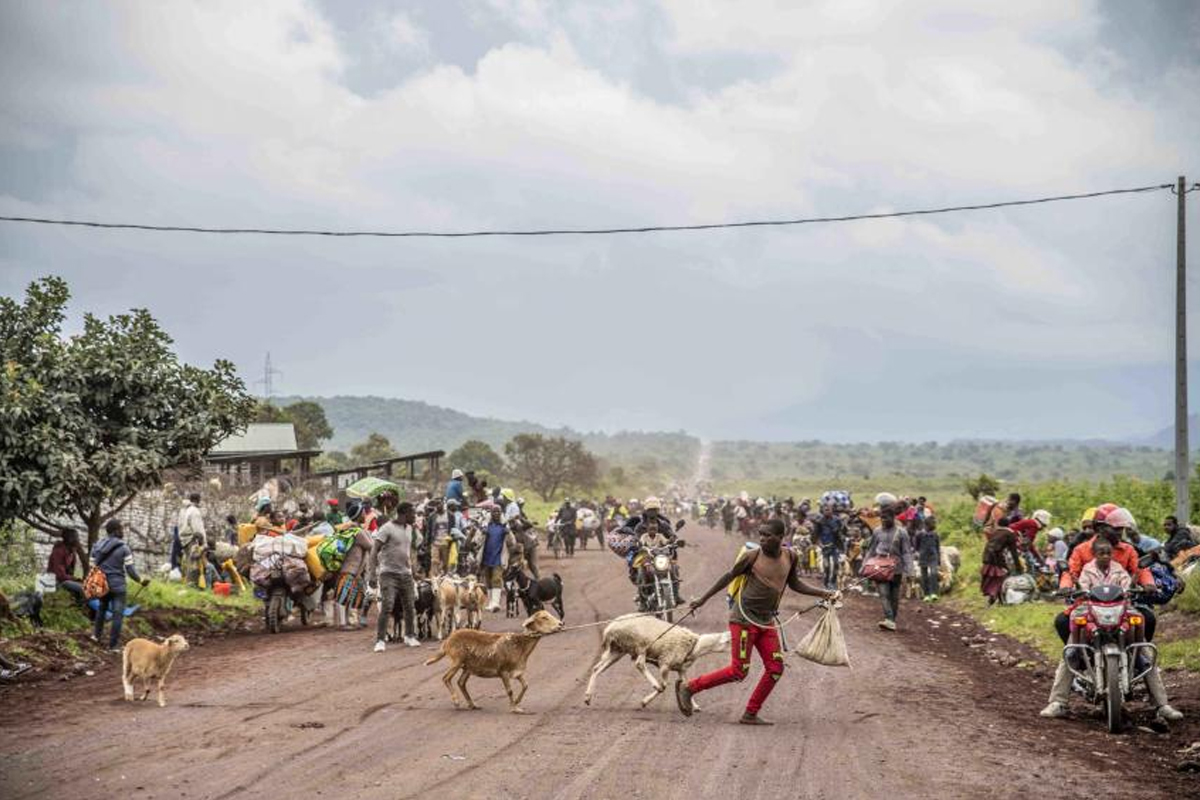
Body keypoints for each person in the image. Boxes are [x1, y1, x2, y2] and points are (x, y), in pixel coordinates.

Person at [677, 519, 836, 725]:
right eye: (761, 535)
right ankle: (689, 687)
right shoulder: (752, 557)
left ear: (780, 537)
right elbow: (728, 577)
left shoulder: (791, 556)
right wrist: (702, 600)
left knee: (776, 668)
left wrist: (824, 593)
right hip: (743, 620)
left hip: (766, 620)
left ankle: (750, 713)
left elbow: (794, 583)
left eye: (767, 535)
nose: (762, 539)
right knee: (738, 671)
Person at [1043, 506, 1181, 721]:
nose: (1120, 535)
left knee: (1144, 646)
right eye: (1116, 530)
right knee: (1071, 645)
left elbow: (1140, 570)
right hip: (1088, 605)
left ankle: (1161, 704)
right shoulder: (1081, 550)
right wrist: (1066, 586)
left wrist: (1149, 583)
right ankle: (1058, 701)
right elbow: (1071, 573)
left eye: (1122, 530)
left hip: (1121, 605)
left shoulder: (1127, 550)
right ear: (1101, 527)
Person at [90, 519, 149, 652]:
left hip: (102, 584)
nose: (122, 531)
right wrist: (140, 581)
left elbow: (92, 566)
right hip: (118, 586)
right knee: (118, 615)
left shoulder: (97, 546)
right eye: (121, 529)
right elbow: (130, 570)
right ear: (116, 530)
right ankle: (113, 646)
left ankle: (96, 637)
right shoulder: (124, 547)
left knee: (101, 608)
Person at [369, 501, 421, 651]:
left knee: (410, 606)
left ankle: (409, 636)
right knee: (387, 606)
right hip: (388, 573)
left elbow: (407, 551)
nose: (415, 516)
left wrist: (414, 570)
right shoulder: (387, 528)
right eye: (413, 513)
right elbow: (374, 551)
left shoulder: (410, 528)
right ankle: (380, 640)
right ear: (404, 513)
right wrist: (372, 574)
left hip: (406, 573)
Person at [864, 506, 913, 629]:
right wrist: (864, 565)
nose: (883, 520)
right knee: (883, 593)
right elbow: (871, 550)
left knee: (894, 596)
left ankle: (892, 619)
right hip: (880, 567)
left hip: (896, 569)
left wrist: (910, 570)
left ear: (893, 517)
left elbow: (906, 552)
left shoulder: (902, 532)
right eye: (882, 518)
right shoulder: (877, 531)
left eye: (886, 518)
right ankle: (889, 618)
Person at [980, 525, 1022, 605]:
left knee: (996, 579)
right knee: (1001, 578)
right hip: (996, 558)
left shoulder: (996, 532)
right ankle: (996, 598)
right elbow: (1014, 553)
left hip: (987, 558)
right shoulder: (1010, 534)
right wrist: (1018, 567)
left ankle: (997, 599)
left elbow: (990, 547)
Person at [480, 506, 511, 612]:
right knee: (488, 580)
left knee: (496, 579)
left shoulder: (504, 527)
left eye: (498, 512)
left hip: (499, 557)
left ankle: (496, 603)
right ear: (491, 514)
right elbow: (477, 541)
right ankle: (490, 602)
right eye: (494, 512)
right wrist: (482, 533)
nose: (496, 513)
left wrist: (508, 533)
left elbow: (512, 542)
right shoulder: (486, 526)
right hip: (486, 557)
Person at [47, 530, 86, 608]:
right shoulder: (58, 552)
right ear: (69, 539)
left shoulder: (71, 552)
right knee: (83, 588)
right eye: (76, 538)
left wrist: (79, 578)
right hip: (55, 582)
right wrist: (74, 578)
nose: (77, 540)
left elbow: (73, 570)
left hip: (65, 579)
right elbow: (60, 575)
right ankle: (78, 608)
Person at [178, 492, 208, 587]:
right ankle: (191, 584)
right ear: (198, 500)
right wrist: (203, 543)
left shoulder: (186, 510)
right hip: (192, 539)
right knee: (194, 562)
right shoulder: (195, 511)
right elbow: (197, 529)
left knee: (189, 561)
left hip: (185, 538)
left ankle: (188, 583)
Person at [813, 505, 845, 592]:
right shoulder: (819, 521)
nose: (827, 512)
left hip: (835, 545)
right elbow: (816, 535)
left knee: (836, 564)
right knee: (826, 566)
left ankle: (833, 583)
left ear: (832, 511)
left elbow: (842, 531)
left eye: (828, 510)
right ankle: (826, 582)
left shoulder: (837, 520)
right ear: (823, 511)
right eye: (825, 510)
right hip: (825, 546)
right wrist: (820, 544)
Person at [914, 516, 942, 602]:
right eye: (933, 523)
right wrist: (918, 553)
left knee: (934, 574)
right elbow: (916, 546)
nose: (934, 525)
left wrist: (939, 559)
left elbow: (937, 547)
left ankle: (934, 593)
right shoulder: (919, 534)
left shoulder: (935, 535)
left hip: (933, 557)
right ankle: (926, 594)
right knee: (924, 576)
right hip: (923, 557)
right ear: (926, 525)